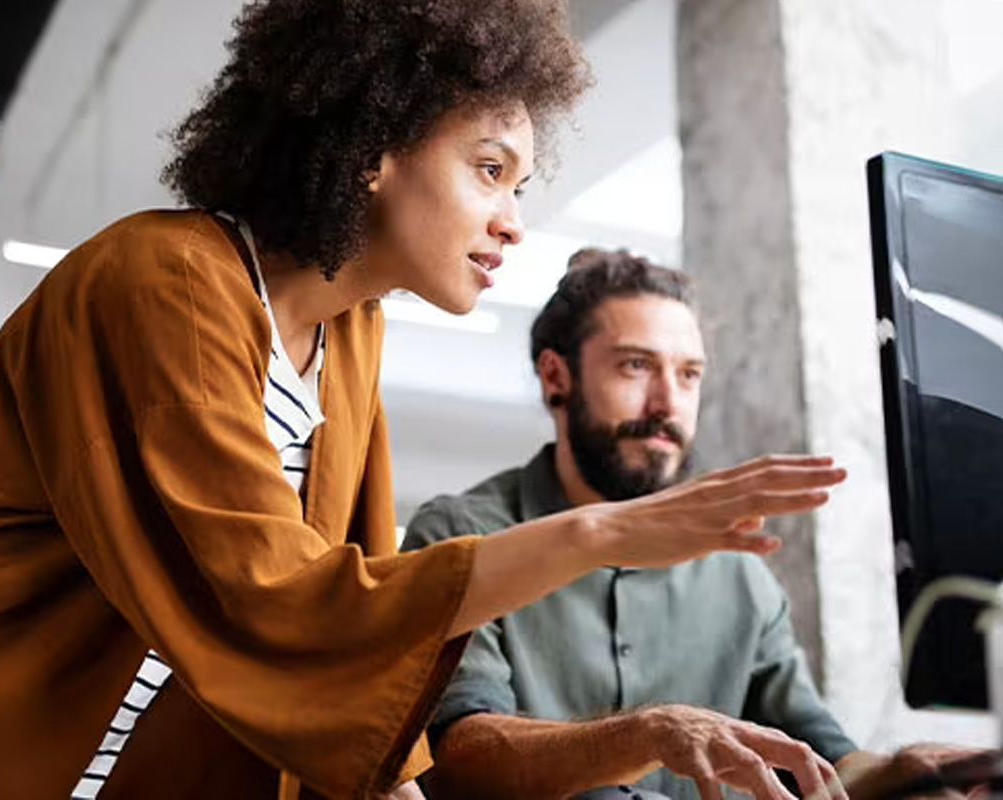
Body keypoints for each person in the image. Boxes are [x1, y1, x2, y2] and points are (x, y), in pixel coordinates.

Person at [0, 3, 847, 799]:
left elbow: (350, 620)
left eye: (520, 185)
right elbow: (283, 603)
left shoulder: (349, 331)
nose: (508, 220)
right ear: (372, 147)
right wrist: (603, 529)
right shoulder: (163, 279)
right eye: (488, 168)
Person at [402, 249, 974, 800]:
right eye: (636, 365)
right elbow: (457, 761)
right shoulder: (462, 534)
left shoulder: (739, 573)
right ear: (556, 377)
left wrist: (904, 773)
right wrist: (648, 733)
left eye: (689, 374)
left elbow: (819, 757)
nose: (667, 403)